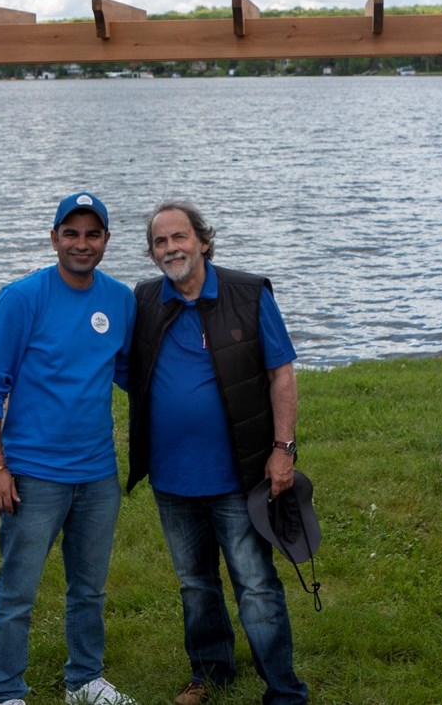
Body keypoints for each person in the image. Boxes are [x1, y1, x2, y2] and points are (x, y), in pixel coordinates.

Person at [127, 201, 309, 705]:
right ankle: (211, 672)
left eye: (180, 237)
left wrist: (283, 450)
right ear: (152, 252)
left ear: (203, 241)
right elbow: (121, 367)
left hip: (239, 475)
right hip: (172, 480)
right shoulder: (143, 300)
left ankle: (285, 690)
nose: (171, 248)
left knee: (256, 584)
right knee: (195, 584)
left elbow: (282, 374)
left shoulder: (249, 294)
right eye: (160, 242)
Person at [0, 191, 138, 705]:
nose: (81, 244)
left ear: (106, 240)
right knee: (18, 592)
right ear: (54, 238)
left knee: (88, 588)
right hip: (34, 474)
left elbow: (130, 373)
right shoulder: (22, 298)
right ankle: (6, 693)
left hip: (97, 473)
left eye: (92, 234)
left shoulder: (120, 300)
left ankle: (84, 680)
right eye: (71, 233)